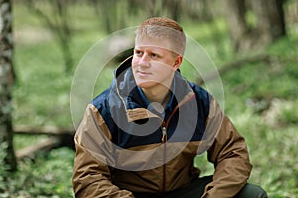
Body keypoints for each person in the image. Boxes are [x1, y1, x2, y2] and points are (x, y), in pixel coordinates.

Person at [72, 17, 267, 198]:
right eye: (138, 53)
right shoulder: (103, 110)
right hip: (129, 195)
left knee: (252, 194)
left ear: (176, 62)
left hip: (181, 191)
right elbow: (87, 179)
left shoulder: (199, 102)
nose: (142, 63)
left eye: (154, 55)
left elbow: (232, 152)